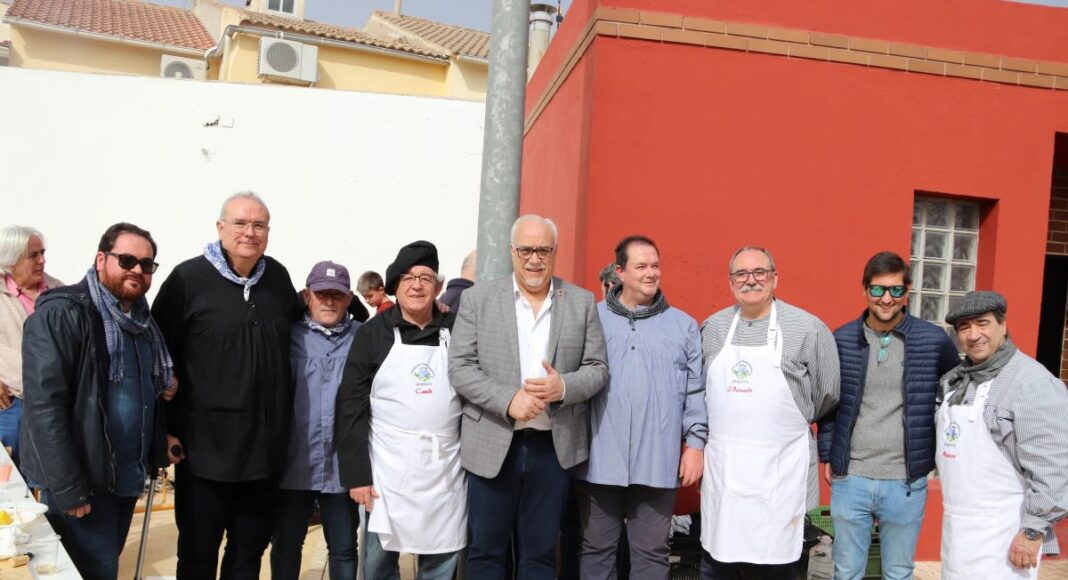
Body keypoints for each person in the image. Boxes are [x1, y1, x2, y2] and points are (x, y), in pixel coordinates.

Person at [449, 214, 608, 579]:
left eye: (543, 250)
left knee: (540, 554)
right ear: (511, 252)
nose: (534, 259)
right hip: (491, 443)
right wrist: (508, 399)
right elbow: (460, 368)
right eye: (526, 250)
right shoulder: (478, 300)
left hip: (552, 449)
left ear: (555, 252)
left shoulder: (581, 302)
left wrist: (564, 387)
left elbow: (597, 368)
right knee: (487, 552)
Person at [153, 191, 300, 579]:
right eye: (240, 223)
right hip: (204, 454)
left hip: (264, 455)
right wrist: (167, 429)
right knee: (198, 556)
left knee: (247, 556)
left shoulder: (278, 278)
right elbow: (158, 357)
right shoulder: (187, 280)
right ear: (220, 227)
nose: (249, 232)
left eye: (259, 225)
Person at [21, 222, 174, 580]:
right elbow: (45, 407)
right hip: (83, 485)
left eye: (146, 264)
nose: (137, 269)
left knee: (104, 568)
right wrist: (70, 489)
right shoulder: (64, 313)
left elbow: (143, 396)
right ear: (101, 259)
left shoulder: (142, 324)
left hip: (123, 480)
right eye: (127, 260)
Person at [699, 246, 839, 578]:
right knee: (721, 561)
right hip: (726, 474)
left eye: (760, 272)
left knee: (778, 565)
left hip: (781, 473)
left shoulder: (808, 328)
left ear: (775, 278)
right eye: (741, 274)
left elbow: (828, 392)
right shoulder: (713, 328)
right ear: (731, 281)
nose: (751, 281)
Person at [818, 252, 959, 580]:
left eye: (896, 290)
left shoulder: (933, 340)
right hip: (851, 476)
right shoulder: (841, 339)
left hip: (906, 479)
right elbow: (828, 405)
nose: (886, 298)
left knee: (898, 571)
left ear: (907, 292)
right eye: (878, 289)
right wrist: (827, 453)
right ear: (865, 289)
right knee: (847, 571)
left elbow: (954, 395)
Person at [575, 235, 706, 579]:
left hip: (657, 460)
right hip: (599, 458)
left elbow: (696, 391)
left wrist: (695, 444)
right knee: (597, 550)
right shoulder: (591, 319)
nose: (651, 273)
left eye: (655, 266)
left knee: (652, 553)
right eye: (641, 266)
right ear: (619, 272)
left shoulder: (684, 326)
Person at [336, 241, 465, 580]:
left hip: (445, 470)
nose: (417, 285)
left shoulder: (458, 331)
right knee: (378, 565)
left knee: (441, 561)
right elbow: (350, 405)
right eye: (408, 278)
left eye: (426, 278)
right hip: (386, 472)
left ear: (438, 287)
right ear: (395, 286)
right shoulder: (372, 335)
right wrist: (357, 475)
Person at [937, 291, 1068, 578]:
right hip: (957, 532)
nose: (973, 335)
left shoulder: (1033, 384)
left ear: (1002, 325)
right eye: (964, 328)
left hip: (1005, 537)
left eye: (982, 323)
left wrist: (1032, 532)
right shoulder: (954, 381)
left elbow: (1054, 467)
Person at [271, 261, 362, 580]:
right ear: (307, 296)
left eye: (336, 295)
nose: (329, 301)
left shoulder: (363, 338)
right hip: (294, 464)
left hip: (342, 468)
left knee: (344, 548)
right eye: (321, 294)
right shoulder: (286, 335)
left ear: (349, 298)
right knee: (286, 544)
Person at [0, 225, 62, 461]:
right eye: (33, 255)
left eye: (43, 253)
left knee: (50, 479)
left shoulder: (59, 291)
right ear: (11, 261)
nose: (42, 261)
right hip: (12, 404)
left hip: (54, 403)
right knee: (10, 485)